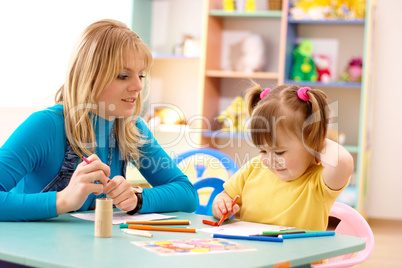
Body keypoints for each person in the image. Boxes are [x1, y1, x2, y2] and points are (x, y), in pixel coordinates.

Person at [0, 19, 198, 221]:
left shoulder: (131, 127)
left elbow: (187, 194)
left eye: (141, 75)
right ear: (90, 76)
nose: (138, 86)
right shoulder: (45, 126)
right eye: (123, 75)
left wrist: (137, 199)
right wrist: (63, 200)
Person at [212, 82, 354, 231]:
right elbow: (225, 195)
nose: (270, 160)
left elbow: (342, 161)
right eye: (263, 151)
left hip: (299, 254)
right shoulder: (253, 169)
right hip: (254, 252)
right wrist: (222, 204)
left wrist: (315, 138)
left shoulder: (319, 182)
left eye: (279, 152)